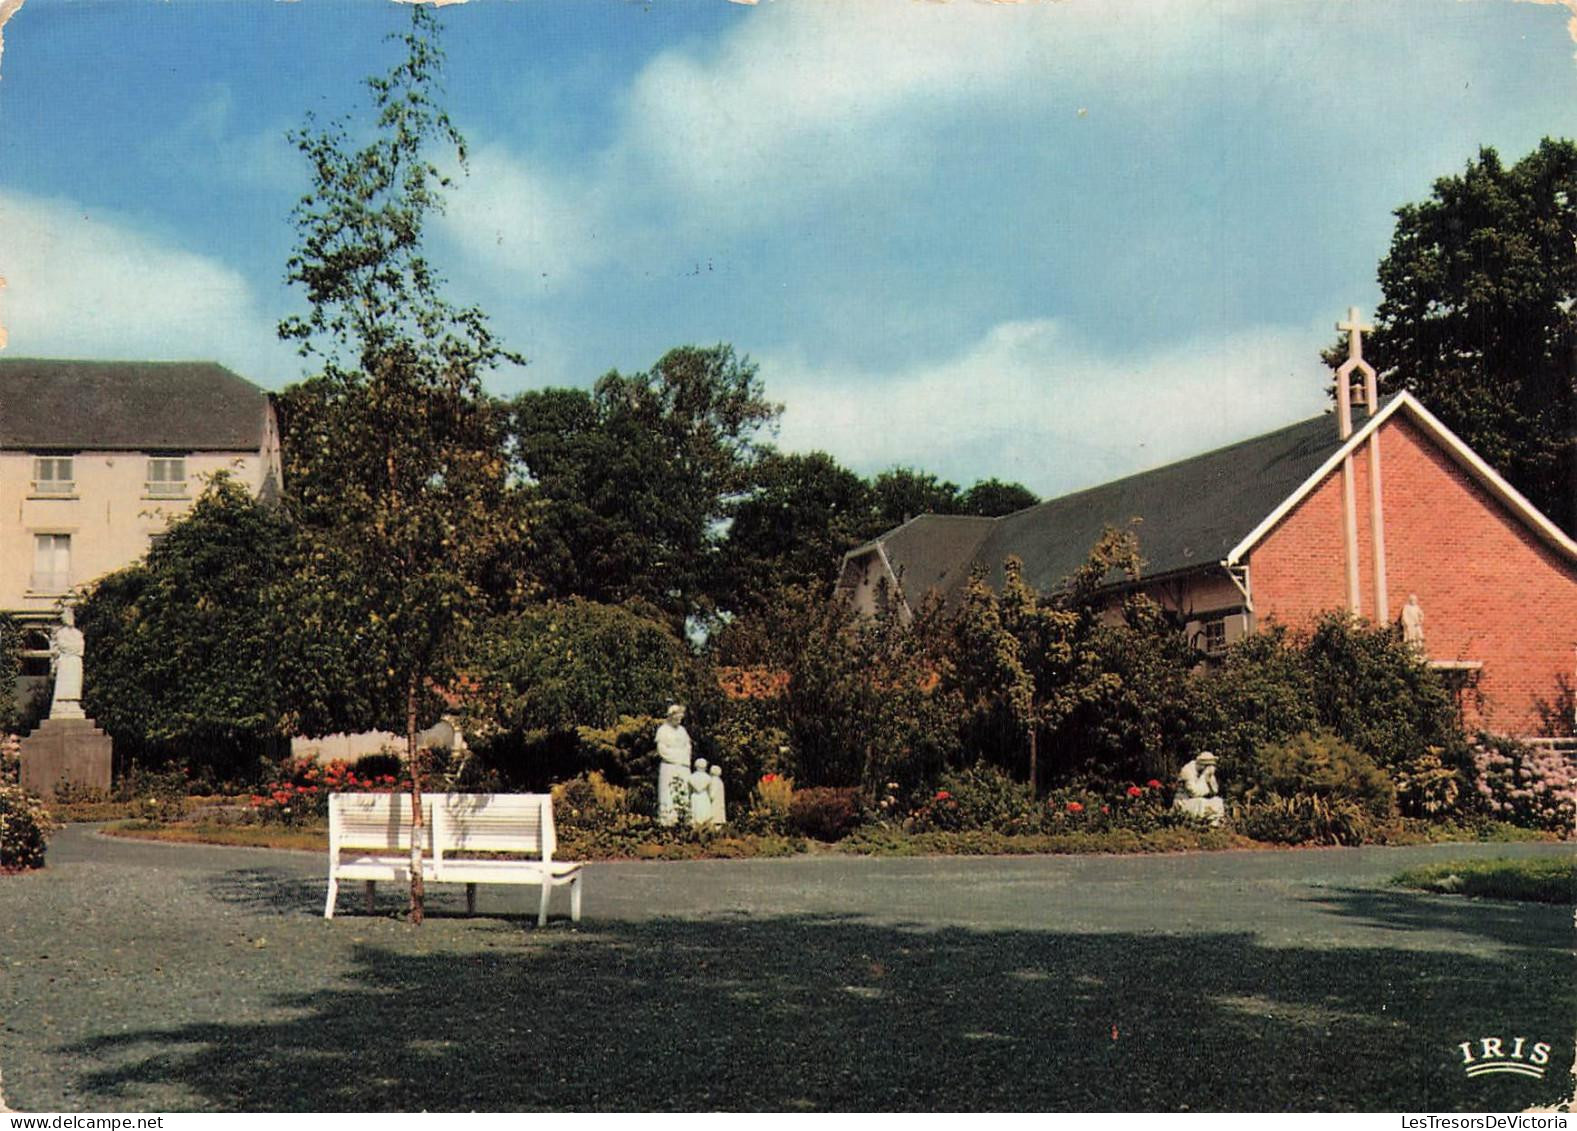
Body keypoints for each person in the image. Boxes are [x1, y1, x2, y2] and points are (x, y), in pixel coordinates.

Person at [655, 704, 693, 826]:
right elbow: (662, 750)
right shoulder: (663, 730)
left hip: (683, 765)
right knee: (668, 792)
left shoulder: (682, 730)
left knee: (683, 789)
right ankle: (667, 820)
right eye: (677, 718)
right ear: (671, 717)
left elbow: (688, 747)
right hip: (669, 766)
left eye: (681, 719)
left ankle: (683, 817)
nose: (679, 721)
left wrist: (683, 757)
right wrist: (677, 756)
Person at [50, 606, 86, 720]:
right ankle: (63, 704)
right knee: (64, 683)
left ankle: (73, 704)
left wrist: (71, 648)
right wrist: (72, 647)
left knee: (74, 683)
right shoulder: (61, 633)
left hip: (75, 661)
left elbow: (80, 647)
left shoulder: (78, 633)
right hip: (66, 661)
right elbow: (63, 646)